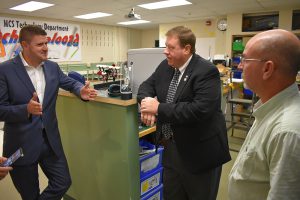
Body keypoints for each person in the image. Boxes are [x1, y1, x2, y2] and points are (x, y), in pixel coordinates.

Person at [0, 25, 97, 200]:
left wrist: (80, 90)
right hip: (21, 145)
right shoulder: (5, 70)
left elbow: (68, 82)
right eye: (39, 44)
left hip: (50, 141)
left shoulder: (52, 67)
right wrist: (25, 110)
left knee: (63, 182)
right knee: (30, 195)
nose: (45, 48)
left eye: (46, 43)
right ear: (25, 45)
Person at [137, 26, 231, 200]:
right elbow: (146, 86)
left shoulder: (206, 71)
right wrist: (146, 103)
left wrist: (157, 108)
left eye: (171, 48)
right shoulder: (165, 67)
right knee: (172, 195)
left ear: (187, 49)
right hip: (171, 147)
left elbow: (199, 109)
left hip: (200, 153)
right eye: (166, 46)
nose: (165, 52)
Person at [228, 29, 300, 199]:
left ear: (267, 68)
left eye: (245, 59)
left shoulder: (286, 131)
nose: (239, 65)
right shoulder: (271, 107)